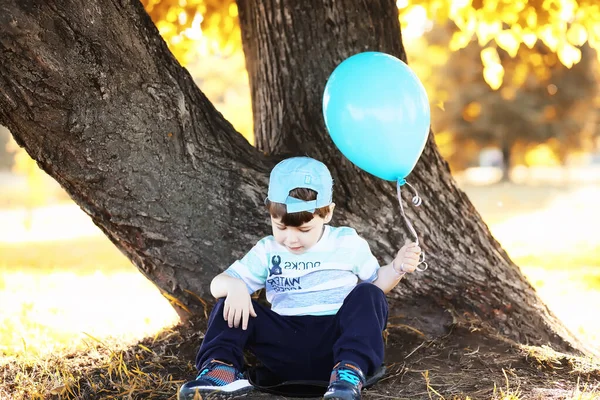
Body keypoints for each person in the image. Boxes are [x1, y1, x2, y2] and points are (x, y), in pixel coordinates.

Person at [178, 156, 422, 400]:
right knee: (228, 301)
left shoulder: (346, 242)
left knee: (369, 294)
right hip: (284, 344)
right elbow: (216, 284)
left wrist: (397, 267)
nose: (291, 239)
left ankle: (349, 374)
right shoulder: (267, 250)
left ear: (327, 214)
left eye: (304, 230)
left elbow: (377, 284)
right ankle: (219, 372)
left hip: (335, 342)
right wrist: (236, 287)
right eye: (281, 227)